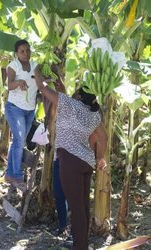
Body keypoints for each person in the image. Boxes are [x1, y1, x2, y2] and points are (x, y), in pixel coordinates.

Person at [34, 68, 107, 250]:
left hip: (70, 161)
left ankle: (80, 246)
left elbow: (42, 88)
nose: (73, 92)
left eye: (77, 91)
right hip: (86, 162)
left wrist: (36, 70)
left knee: (76, 209)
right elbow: (103, 138)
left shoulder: (69, 104)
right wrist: (100, 158)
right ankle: (83, 243)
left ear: (80, 96)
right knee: (82, 205)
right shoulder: (94, 114)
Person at [4, 39, 38, 191]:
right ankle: (17, 176)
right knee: (19, 141)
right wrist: (18, 82)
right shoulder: (13, 66)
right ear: (17, 53)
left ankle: (9, 174)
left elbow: (40, 81)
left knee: (19, 140)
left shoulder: (36, 66)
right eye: (22, 51)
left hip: (30, 109)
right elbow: (9, 85)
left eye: (28, 50)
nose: (26, 53)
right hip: (14, 108)